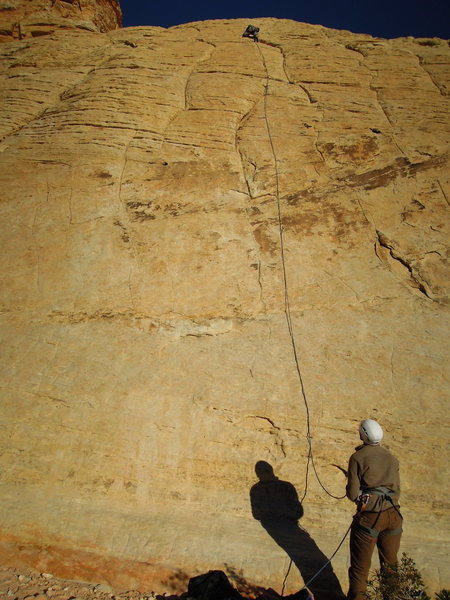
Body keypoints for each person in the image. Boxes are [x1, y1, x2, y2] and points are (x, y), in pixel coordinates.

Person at [346, 419, 403, 600]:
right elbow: (397, 491)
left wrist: (364, 496)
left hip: (370, 516)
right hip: (394, 514)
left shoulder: (357, 458)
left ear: (362, 434)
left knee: (360, 569)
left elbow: (352, 493)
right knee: (390, 567)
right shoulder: (392, 458)